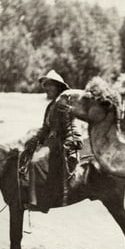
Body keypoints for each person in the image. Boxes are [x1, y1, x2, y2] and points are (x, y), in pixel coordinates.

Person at [23, 70, 83, 212]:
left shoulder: (62, 103)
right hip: (49, 142)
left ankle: (37, 202)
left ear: (57, 87)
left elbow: (71, 123)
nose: (46, 89)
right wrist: (35, 139)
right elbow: (45, 128)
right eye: (45, 86)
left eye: (49, 85)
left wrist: (72, 141)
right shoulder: (50, 106)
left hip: (59, 143)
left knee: (35, 162)